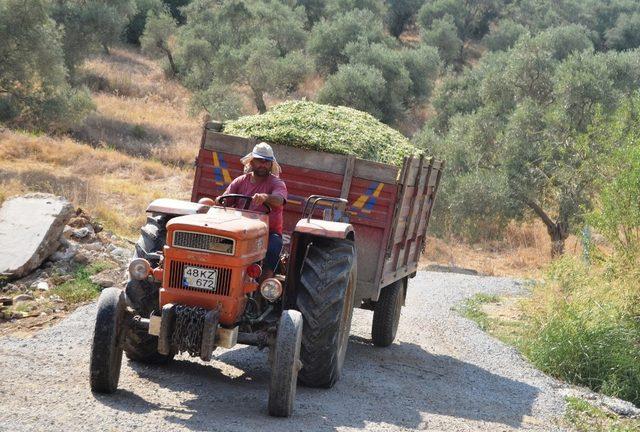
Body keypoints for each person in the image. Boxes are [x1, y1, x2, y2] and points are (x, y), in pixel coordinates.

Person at [217, 142, 287, 282]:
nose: (263, 164)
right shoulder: (240, 181)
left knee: (274, 247)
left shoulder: (276, 183)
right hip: (237, 229)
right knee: (216, 242)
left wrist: (266, 197)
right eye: (259, 160)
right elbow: (225, 200)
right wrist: (220, 200)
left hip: (266, 232)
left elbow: (280, 199)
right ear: (252, 161)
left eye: (266, 161)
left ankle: (264, 284)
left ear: (270, 164)